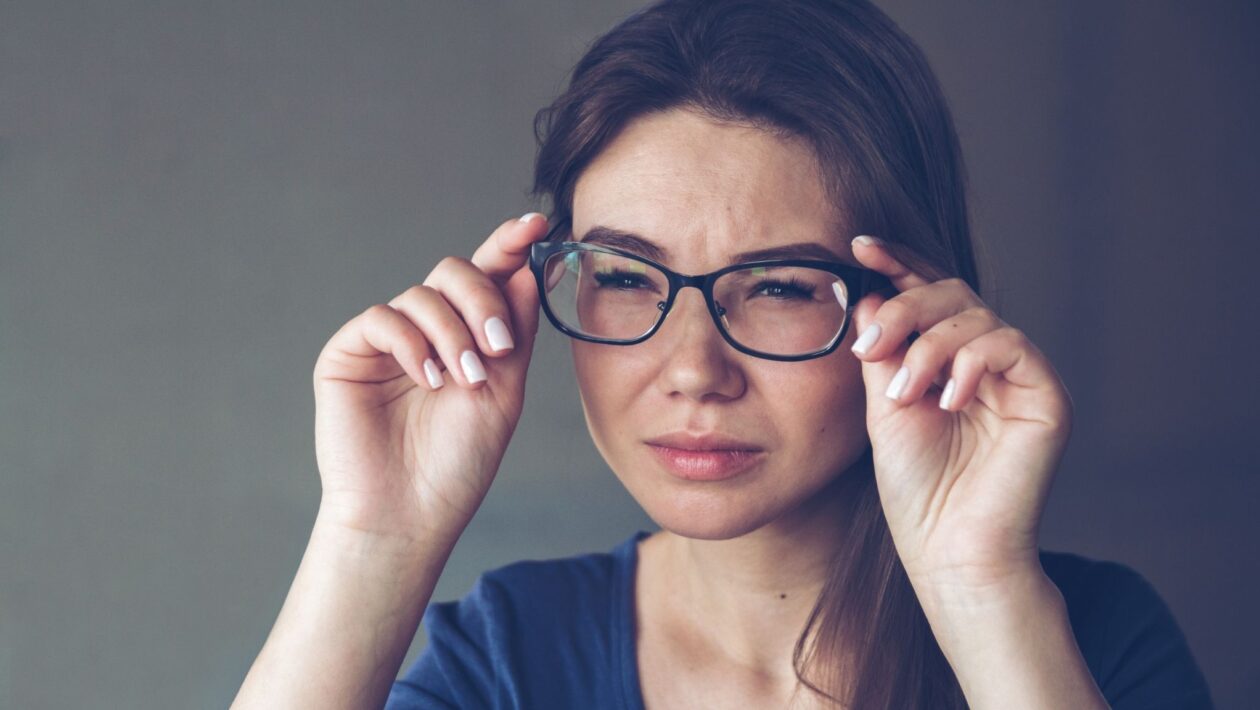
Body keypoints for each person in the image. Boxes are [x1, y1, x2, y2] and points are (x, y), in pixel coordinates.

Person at [232, 0, 1214, 708]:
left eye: (781, 287)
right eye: (624, 274)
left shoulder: (1088, 642)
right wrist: (374, 540)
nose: (694, 367)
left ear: (912, 306)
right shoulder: (504, 660)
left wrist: (977, 586)